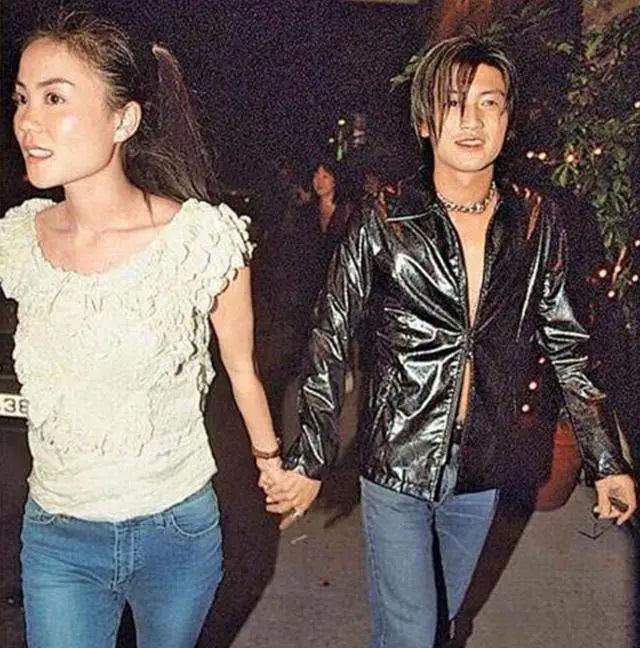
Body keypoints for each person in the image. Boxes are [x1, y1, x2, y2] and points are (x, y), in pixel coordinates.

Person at [263, 35, 637, 647]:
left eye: (489, 103)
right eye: (453, 103)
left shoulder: (536, 220)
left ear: (507, 120)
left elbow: (568, 343)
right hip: (397, 460)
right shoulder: (384, 216)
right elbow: (331, 334)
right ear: (425, 121)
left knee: (436, 623)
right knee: (413, 633)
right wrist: (310, 455)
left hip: (484, 464)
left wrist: (606, 460)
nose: (472, 120)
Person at [0, 12, 284, 648]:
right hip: (58, 535)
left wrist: (272, 463)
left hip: (174, 531)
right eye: (21, 99)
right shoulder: (18, 240)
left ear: (123, 120)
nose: (28, 121)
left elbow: (241, 367)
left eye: (54, 98)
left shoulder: (198, 240)